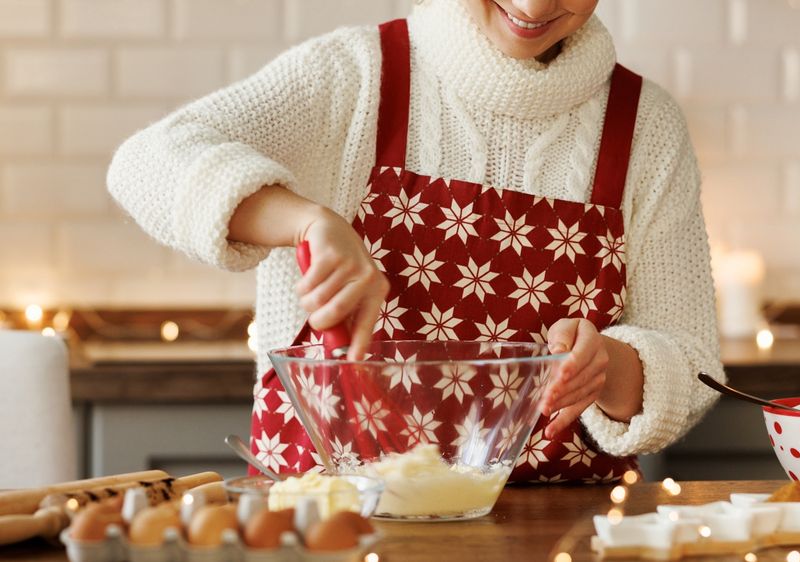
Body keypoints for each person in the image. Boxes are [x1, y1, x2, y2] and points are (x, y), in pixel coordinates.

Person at [108, 0, 725, 483]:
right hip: (335, 521)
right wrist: (307, 221)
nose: (535, 7)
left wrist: (609, 368)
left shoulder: (648, 126)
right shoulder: (353, 76)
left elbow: (693, 364)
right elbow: (145, 163)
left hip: (551, 531)